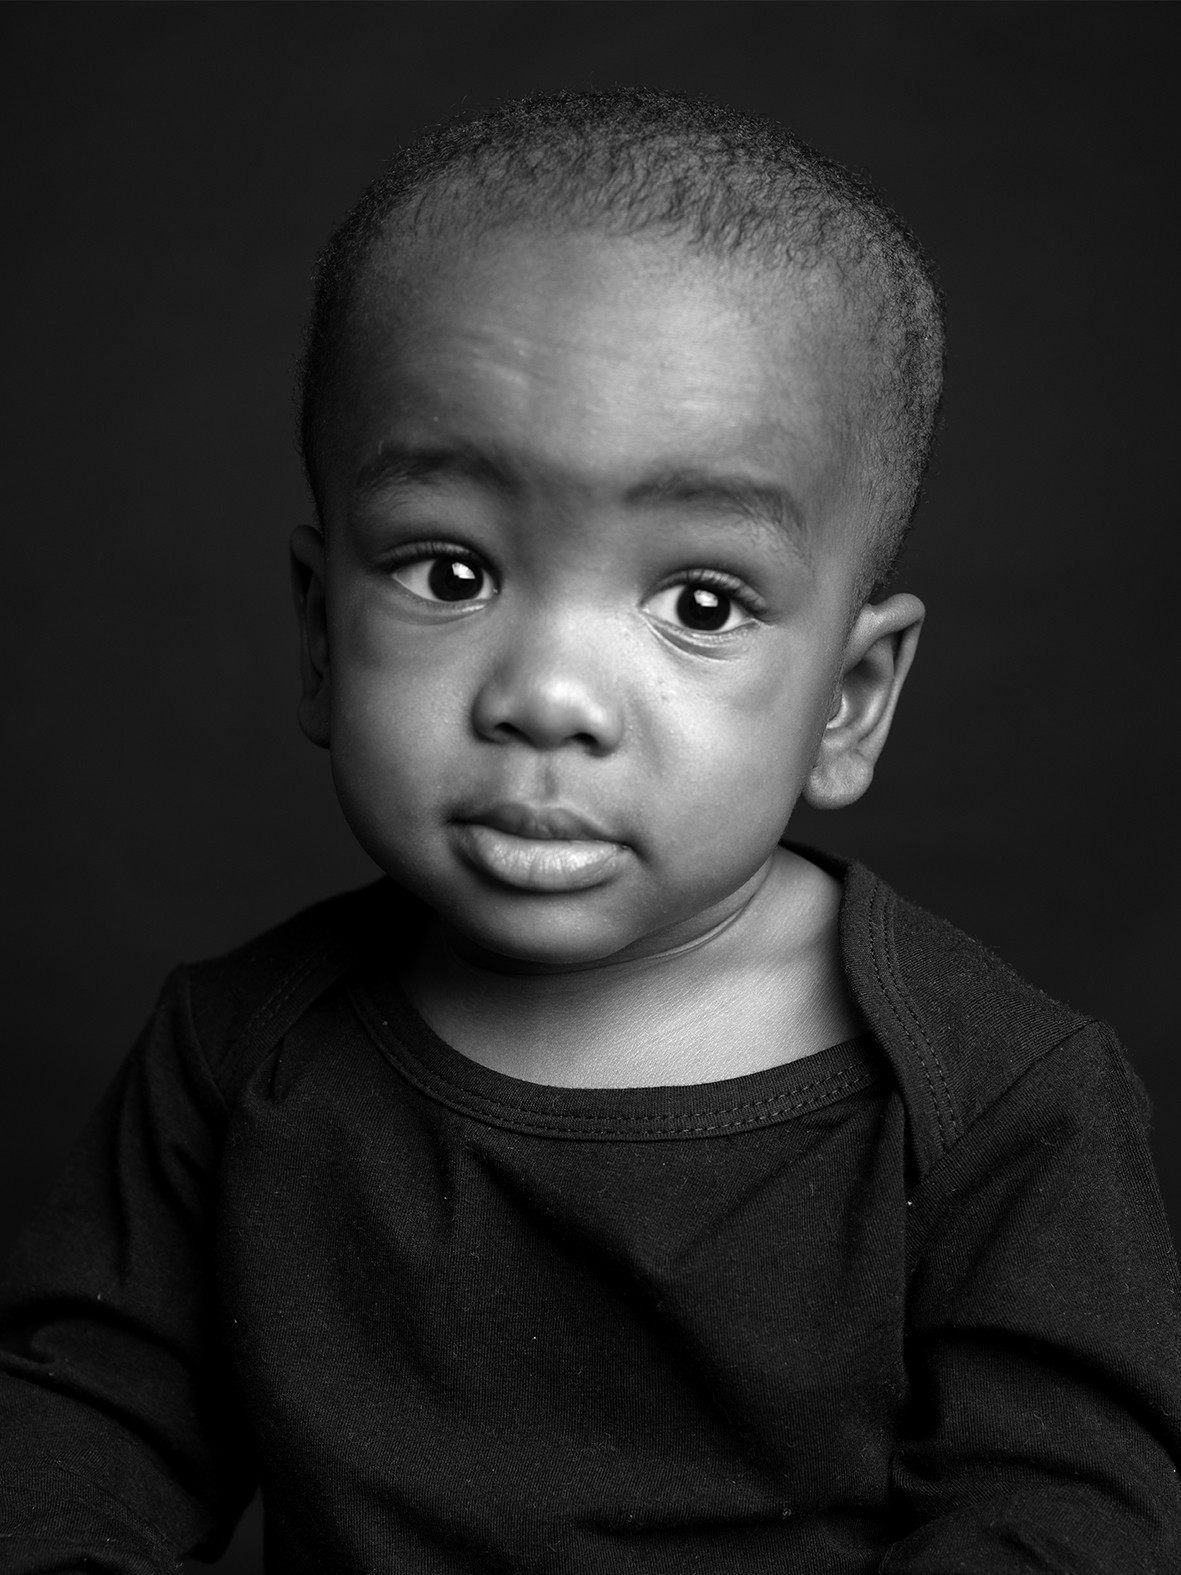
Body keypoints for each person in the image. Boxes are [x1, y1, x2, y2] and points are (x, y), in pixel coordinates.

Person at [1, 87, 1178, 1574]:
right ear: (316, 631)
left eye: (700, 603)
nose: (547, 697)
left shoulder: (996, 1111)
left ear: (848, 698)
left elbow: (1064, 1521)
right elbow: (73, 1431)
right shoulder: (237, 1059)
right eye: (446, 572)